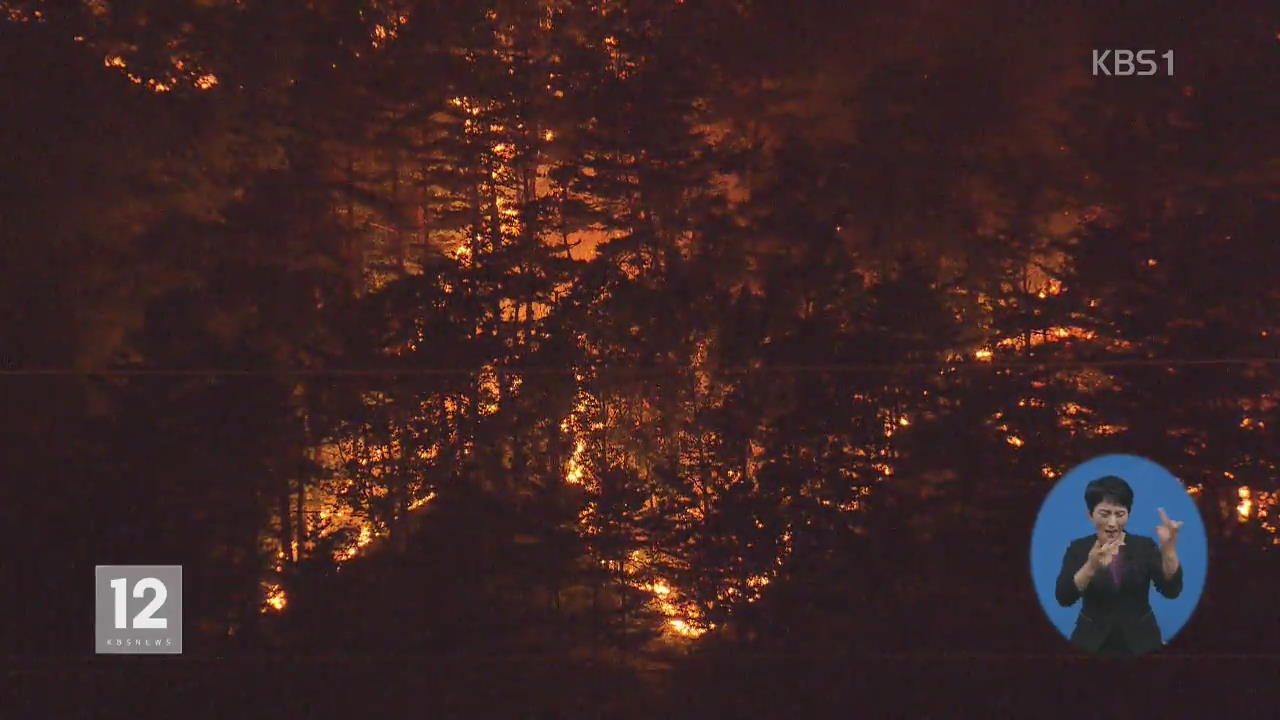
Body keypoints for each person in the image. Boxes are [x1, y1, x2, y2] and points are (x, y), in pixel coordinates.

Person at [1054, 475, 1184, 656]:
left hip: (1142, 642)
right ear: (1090, 515)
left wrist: (1169, 550)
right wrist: (1090, 567)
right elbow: (1064, 597)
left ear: (1128, 514)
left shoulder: (1144, 546)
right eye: (1105, 514)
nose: (1112, 523)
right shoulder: (1079, 548)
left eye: (1120, 514)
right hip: (1091, 642)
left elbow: (1171, 590)